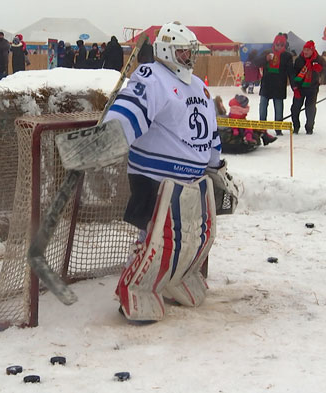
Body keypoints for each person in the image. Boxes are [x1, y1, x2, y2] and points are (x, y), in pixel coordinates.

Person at [102, 22, 224, 322]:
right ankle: (137, 289)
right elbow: (131, 108)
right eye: (183, 50)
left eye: (190, 51)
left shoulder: (197, 84)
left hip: (193, 180)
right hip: (155, 177)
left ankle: (177, 276)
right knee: (156, 237)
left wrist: (215, 163)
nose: (188, 56)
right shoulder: (152, 76)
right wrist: (110, 137)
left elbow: (209, 128)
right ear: (167, 50)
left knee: (191, 236)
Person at [255, 33, 292, 139]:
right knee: (263, 107)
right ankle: (262, 127)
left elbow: (290, 72)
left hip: (279, 86)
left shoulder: (287, 56)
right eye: (277, 44)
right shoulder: (267, 53)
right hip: (266, 85)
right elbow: (256, 63)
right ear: (274, 44)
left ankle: (278, 128)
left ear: (284, 45)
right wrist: (265, 59)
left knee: (278, 108)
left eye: (281, 45)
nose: (279, 47)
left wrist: (295, 86)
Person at [290, 40, 326, 134]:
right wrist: (294, 87)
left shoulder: (319, 59)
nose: (306, 52)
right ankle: (296, 127)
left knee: (310, 109)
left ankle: (309, 128)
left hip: (312, 88)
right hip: (300, 88)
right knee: (295, 108)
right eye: (304, 49)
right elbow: (293, 74)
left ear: (312, 50)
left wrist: (320, 69)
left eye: (308, 50)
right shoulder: (299, 59)